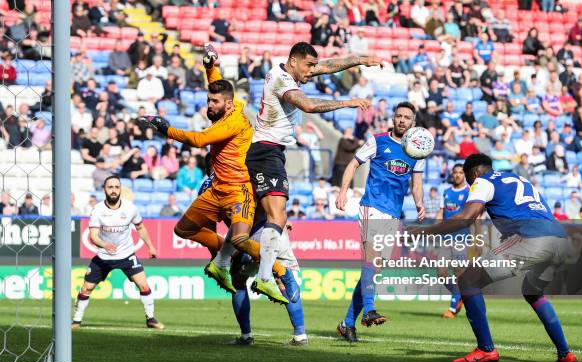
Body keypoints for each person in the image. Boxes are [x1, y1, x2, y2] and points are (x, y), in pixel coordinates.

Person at [146, 45, 294, 304]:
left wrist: (167, 130)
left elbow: (199, 139)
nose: (209, 105)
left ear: (227, 104)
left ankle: (279, 272)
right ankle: (221, 259)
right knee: (183, 230)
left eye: (214, 102)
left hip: (239, 189)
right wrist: (209, 66)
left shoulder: (232, 122)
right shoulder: (231, 104)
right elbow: (218, 86)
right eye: (208, 100)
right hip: (217, 189)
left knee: (239, 238)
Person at [245, 41, 381, 303]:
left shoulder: (291, 71)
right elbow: (307, 105)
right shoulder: (282, 80)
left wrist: (361, 59)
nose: (312, 71)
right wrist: (349, 102)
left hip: (271, 151)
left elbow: (329, 65)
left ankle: (237, 263)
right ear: (293, 61)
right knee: (278, 215)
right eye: (308, 66)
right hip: (265, 150)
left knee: (265, 219)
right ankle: (263, 277)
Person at [415, 153, 578, 362]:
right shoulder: (519, 178)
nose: (470, 186)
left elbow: (467, 217)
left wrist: (425, 231)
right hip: (559, 239)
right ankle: (565, 353)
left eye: (468, 179)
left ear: (472, 173)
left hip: (532, 238)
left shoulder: (482, 181)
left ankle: (485, 349)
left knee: (468, 280)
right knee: (533, 292)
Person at [335, 102, 425, 342]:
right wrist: (343, 192)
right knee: (371, 259)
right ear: (393, 119)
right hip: (372, 206)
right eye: (399, 116)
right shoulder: (378, 141)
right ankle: (370, 310)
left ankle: (346, 324)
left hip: (393, 215)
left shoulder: (418, 150)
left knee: (373, 271)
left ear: (413, 122)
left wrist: (419, 203)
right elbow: (353, 164)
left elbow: (416, 184)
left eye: (407, 117)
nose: (402, 120)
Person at [72, 176, 163, 329]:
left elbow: (140, 228)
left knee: (144, 286)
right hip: (103, 257)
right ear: (104, 190)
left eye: (116, 187)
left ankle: (151, 319)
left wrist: (151, 247)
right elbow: (93, 235)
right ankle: (76, 320)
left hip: (126, 255)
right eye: (110, 187)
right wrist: (104, 244)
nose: (113, 190)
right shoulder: (98, 211)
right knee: (87, 288)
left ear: (120, 189)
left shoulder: (130, 208)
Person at [436, 164, 471, 318]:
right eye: (455, 172)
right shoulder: (446, 192)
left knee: (458, 272)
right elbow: (441, 213)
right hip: (445, 237)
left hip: (461, 237)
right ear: (452, 174)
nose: (457, 175)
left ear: (464, 175)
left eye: (460, 173)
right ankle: (459, 294)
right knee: (441, 271)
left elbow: (476, 213)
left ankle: (452, 307)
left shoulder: (469, 192)